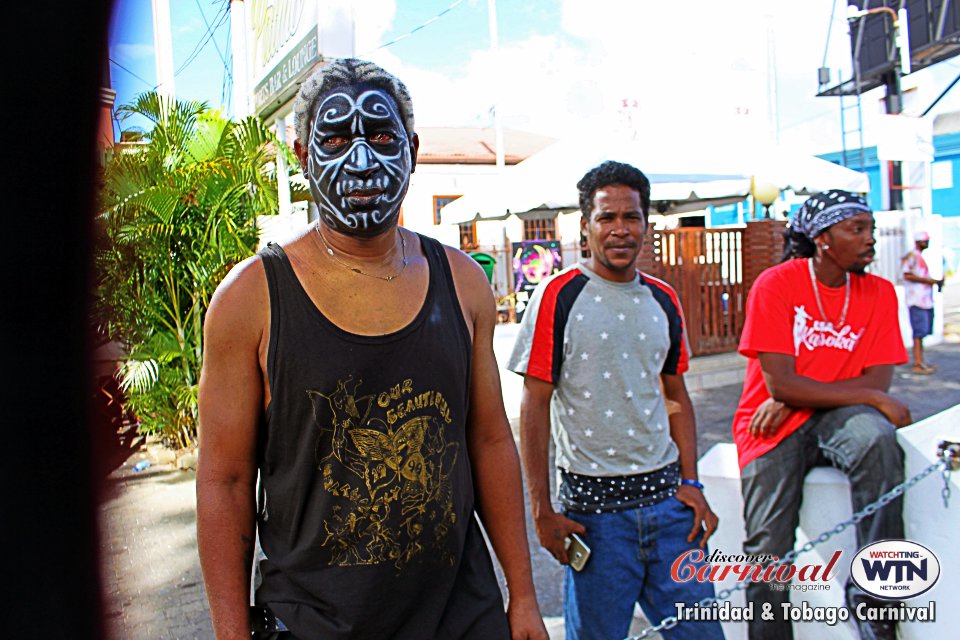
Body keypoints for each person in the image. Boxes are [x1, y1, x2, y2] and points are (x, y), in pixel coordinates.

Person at [196, 58, 547, 640]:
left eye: (381, 137)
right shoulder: (251, 298)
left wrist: (525, 596)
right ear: (304, 156)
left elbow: (487, 439)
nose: (361, 162)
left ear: (410, 149)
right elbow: (225, 481)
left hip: (461, 618)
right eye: (335, 140)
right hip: (314, 623)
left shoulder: (462, 282)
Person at [508, 161, 723, 640]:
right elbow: (534, 407)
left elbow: (675, 396)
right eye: (607, 218)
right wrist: (541, 510)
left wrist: (692, 482)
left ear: (647, 223)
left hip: (672, 517)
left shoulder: (664, 300)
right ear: (586, 226)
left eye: (632, 217)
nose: (620, 230)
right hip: (594, 523)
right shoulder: (558, 296)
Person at [733, 190, 912, 640]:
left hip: (837, 418)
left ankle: (875, 604)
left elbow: (879, 386)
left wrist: (802, 395)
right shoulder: (776, 284)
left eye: (869, 228)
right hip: (769, 424)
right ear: (824, 238)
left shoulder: (879, 292)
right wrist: (795, 394)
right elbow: (779, 385)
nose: (870, 239)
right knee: (768, 549)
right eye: (858, 229)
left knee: (877, 439)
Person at [902, 230, 943, 374]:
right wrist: (929, 281)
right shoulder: (912, 256)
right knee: (918, 332)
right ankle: (917, 363)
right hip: (916, 299)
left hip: (925, 300)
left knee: (923, 332)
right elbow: (906, 274)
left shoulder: (920, 257)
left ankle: (921, 361)